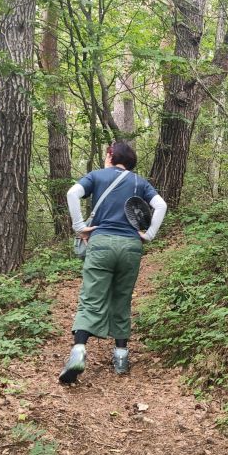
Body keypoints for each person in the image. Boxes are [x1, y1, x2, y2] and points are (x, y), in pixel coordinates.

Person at [59, 142, 167, 384]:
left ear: (110, 155)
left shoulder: (97, 176)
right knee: (122, 297)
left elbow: (71, 193)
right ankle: (120, 357)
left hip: (101, 243)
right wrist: (148, 235)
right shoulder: (140, 182)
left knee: (92, 297)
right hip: (130, 246)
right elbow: (161, 205)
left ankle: (78, 351)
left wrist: (79, 227)